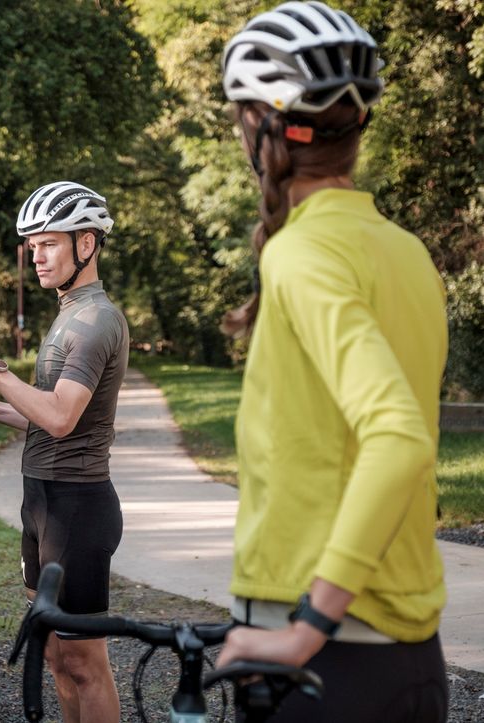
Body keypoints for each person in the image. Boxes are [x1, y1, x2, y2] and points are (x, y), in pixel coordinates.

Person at [213, 2, 449, 720]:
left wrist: (307, 626)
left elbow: (396, 436)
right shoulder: (404, 251)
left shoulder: (299, 253)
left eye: (236, 115)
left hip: (325, 660)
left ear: (263, 126)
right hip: (407, 660)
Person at [0, 181, 129, 722]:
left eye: (49, 243)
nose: (37, 256)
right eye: (32, 246)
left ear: (88, 244)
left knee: (83, 662)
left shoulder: (96, 321)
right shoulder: (68, 314)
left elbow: (59, 417)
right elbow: (45, 414)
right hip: (42, 502)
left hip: (77, 506)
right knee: (52, 652)